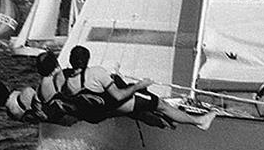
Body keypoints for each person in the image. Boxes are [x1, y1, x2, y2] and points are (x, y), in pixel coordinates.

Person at [59, 45, 216, 130]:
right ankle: (199, 122)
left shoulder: (67, 82)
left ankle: (165, 123)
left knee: (137, 111)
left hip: (98, 114)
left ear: (71, 60)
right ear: (87, 60)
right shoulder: (96, 72)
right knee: (159, 104)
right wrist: (140, 85)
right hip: (115, 105)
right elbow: (118, 96)